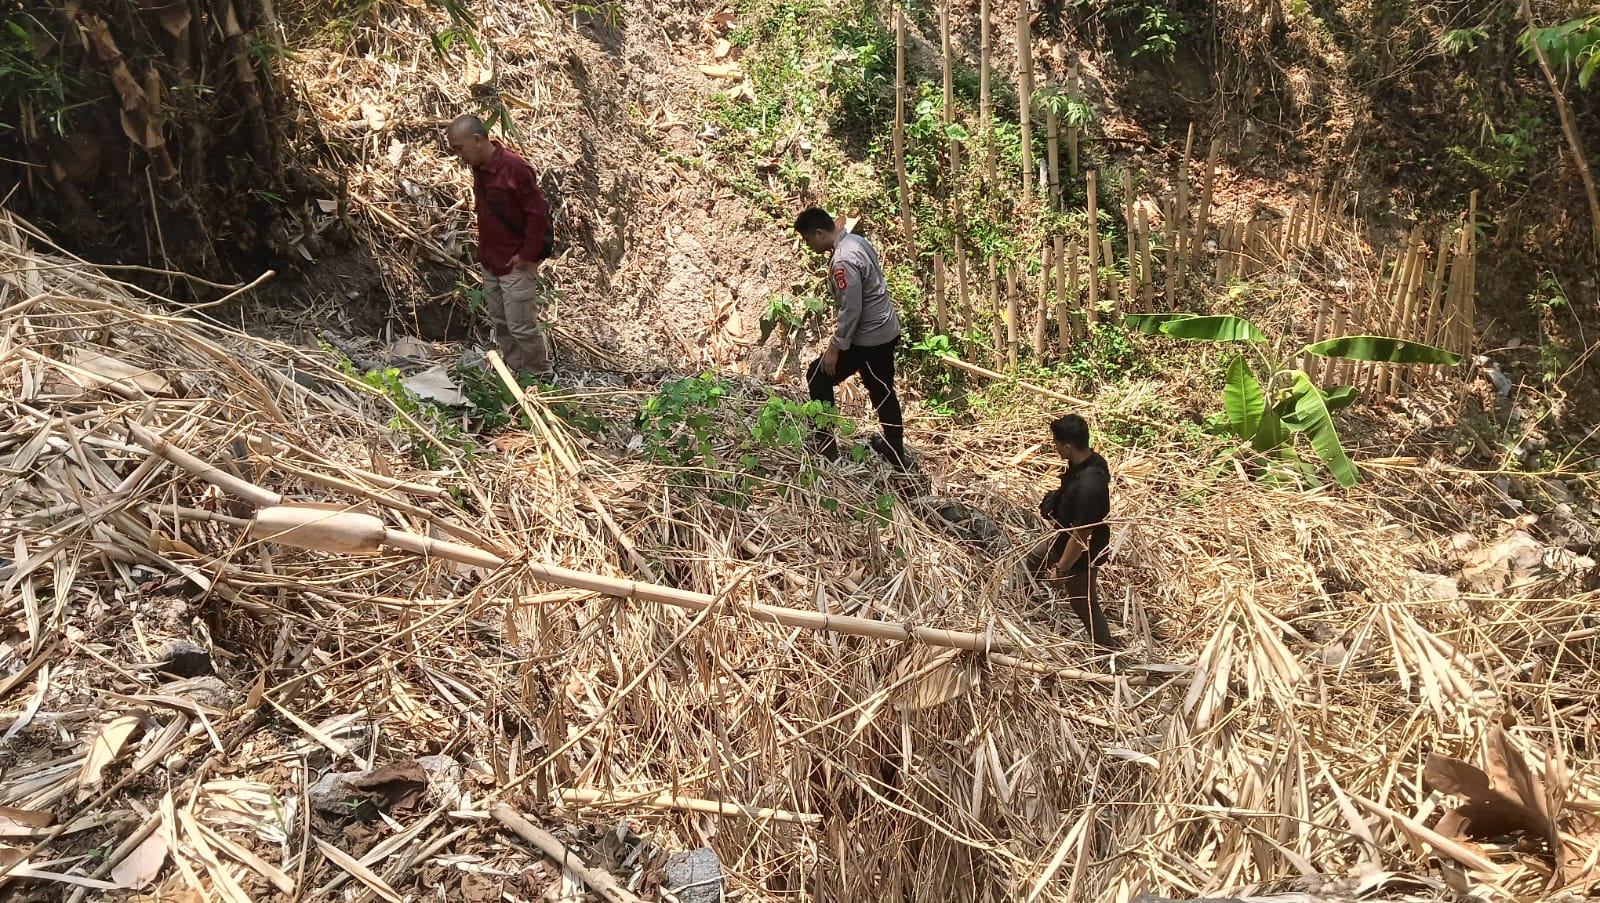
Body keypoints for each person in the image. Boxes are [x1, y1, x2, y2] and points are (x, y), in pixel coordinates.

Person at [792, 207, 907, 468]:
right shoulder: (856, 241)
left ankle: (826, 447)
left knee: (818, 376)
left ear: (820, 233)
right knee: (882, 390)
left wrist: (835, 347)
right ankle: (895, 451)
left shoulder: (843, 260)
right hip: (885, 330)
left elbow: (852, 309)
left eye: (808, 240)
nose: (808, 246)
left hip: (869, 338)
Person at [445, 114, 555, 382]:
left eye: (460, 148)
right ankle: (518, 371)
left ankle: (542, 375)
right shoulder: (479, 166)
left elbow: (538, 214)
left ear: (478, 139)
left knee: (521, 325)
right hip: (491, 260)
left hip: (515, 262)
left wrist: (527, 256)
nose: (459, 155)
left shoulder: (515, 169)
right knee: (501, 321)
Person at [1026, 414, 1119, 649]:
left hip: (1082, 554)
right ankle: (1019, 608)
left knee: (1083, 603)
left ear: (1067, 446)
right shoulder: (1088, 462)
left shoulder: (1089, 487)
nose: (1054, 447)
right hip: (1062, 537)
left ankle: (1107, 652)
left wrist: (1061, 569)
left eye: (1056, 444)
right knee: (1033, 561)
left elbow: (1081, 537)